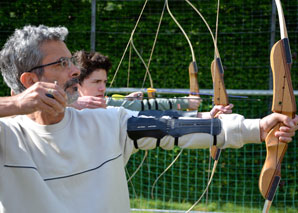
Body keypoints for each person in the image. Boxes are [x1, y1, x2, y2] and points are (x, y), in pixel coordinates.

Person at [0, 25, 297, 213]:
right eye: (62, 63)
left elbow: (172, 127)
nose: (75, 71)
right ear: (29, 81)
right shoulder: (6, 136)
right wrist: (16, 105)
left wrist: (256, 128)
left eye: (72, 62)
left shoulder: (107, 123)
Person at [71, 50, 232, 118]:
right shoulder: (62, 111)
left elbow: (157, 118)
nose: (102, 88)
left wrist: (206, 116)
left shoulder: (106, 107)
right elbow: (148, 108)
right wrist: (185, 102)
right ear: (77, 83)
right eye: (96, 82)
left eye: (104, 82)